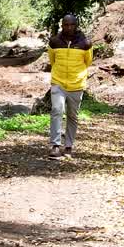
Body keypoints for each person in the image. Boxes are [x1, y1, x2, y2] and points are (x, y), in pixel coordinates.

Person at [47, 14, 92, 159]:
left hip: (77, 83)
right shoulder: (54, 42)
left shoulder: (85, 43)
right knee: (57, 110)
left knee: (72, 115)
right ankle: (55, 145)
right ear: (62, 26)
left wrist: (77, 75)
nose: (69, 27)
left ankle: (68, 146)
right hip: (58, 82)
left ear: (76, 26)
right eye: (66, 25)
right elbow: (52, 61)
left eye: (72, 25)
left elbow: (88, 62)